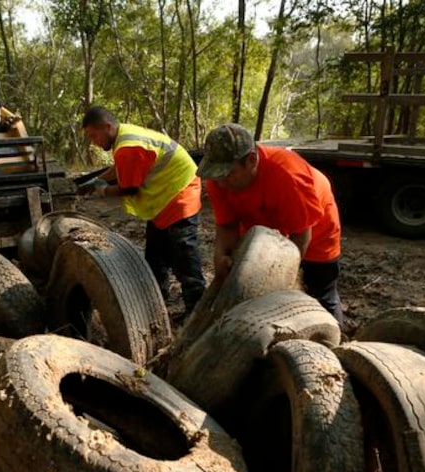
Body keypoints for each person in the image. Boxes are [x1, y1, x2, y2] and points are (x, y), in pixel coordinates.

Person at [196, 123, 345, 325]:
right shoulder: (218, 180)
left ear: (251, 160)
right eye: (217, 175)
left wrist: (281, 280)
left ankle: (335, 342)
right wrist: (221, 256)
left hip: (313, 229)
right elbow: (227, 225)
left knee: (321, 293)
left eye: (228, 174)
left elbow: (301, 235)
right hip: (261, 229)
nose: (221, 184)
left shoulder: (287, 175)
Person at [79, 106, 206, 315]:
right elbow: (121, 168)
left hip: (180, 191)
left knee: (184, 253)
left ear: (108, 127)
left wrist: (102, 191)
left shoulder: (128, 145)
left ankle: (197, 310)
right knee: (155, 255)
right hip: (163, 196)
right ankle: (157, 305)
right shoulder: (124, 137)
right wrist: (99, 180)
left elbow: (129, 188)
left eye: (94, 136)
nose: (93, 142)